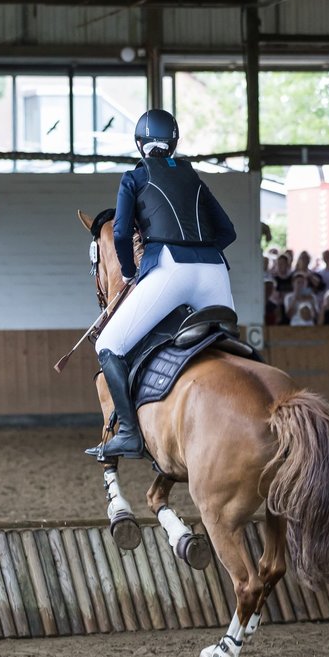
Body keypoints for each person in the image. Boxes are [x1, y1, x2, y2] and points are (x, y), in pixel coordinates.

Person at [87, 109, 236, 459]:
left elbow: (121, 231)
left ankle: (128, 433)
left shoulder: (133, 178)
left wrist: (127, 271)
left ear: (139, 145)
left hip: (170, 267)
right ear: (174, 143)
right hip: (215, 272)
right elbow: (227, 231)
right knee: (230, 350)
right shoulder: (194, 177)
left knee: (108, 344)